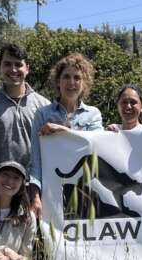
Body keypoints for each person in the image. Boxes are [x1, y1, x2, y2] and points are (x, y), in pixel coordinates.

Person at [29, 52, 103, 218]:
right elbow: (36, 161)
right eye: (66, 77)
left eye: (77, 78)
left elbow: (97, 146)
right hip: (52, 193)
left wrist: (64, 131)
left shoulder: (93, 115)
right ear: (58, 81)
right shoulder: (42, 115)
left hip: (86, 190)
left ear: (84, 83)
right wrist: (35, 197)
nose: (71, 83)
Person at [0, 42, 49, 197]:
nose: (13, 70)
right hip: (0, 189)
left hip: (35, 191)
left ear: (27, 68)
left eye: (18, 65)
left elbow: (50, 152)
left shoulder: (44, 106)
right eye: (7, 64)